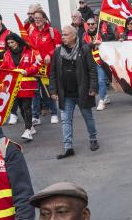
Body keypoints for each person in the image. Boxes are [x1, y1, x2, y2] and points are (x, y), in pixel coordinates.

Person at [49, 25, 98, 159]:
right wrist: (53, 90)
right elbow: (52, 73)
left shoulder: (84, 49)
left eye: (65, 34)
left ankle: (93, 139)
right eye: (62, 34)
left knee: (88, 117)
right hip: (65, 94)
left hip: (83, 92)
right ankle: (68, 147)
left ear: (74, 36)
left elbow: (92, 70)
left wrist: (93, 88)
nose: (63, 37)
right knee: (65, 120)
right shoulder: (58, 52)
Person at [0, 33, 40, 141]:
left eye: (12, 42)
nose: (10, 45)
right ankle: (30, 126)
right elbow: (5, 68)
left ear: (17, 41)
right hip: (14, 85)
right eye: (8, 43)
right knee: (21, 108)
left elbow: (36, 65)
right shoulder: (7, 54)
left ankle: (28, 130)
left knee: (26, 106)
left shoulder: (29, 52)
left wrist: (26, 71)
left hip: (27, 84)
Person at [29, 9, 62, 126]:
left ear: (44, 18)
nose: (37, 20)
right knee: (35, 91)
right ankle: (35, 116)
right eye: (35, 18)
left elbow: (58, 47)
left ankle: (54, 113)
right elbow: (29, 47)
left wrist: (50, 54)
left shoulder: (52, 31)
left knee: (49, 90)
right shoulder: (31, 31)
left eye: (39, 18)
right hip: (35, 66)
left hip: (48, 67)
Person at [83, 17, 114, 111]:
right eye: (89, 24)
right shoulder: (84, 35)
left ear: (96, 24)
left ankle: (101, 100)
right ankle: (105, 96)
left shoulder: (101, 34)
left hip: (100, 61)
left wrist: (101, 42)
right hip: (90, 62)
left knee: (101, 80)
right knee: (93, 81)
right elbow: (82, 47)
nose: (91, 26)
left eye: (92, 24)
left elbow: (109, 42)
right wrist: (92, 44)